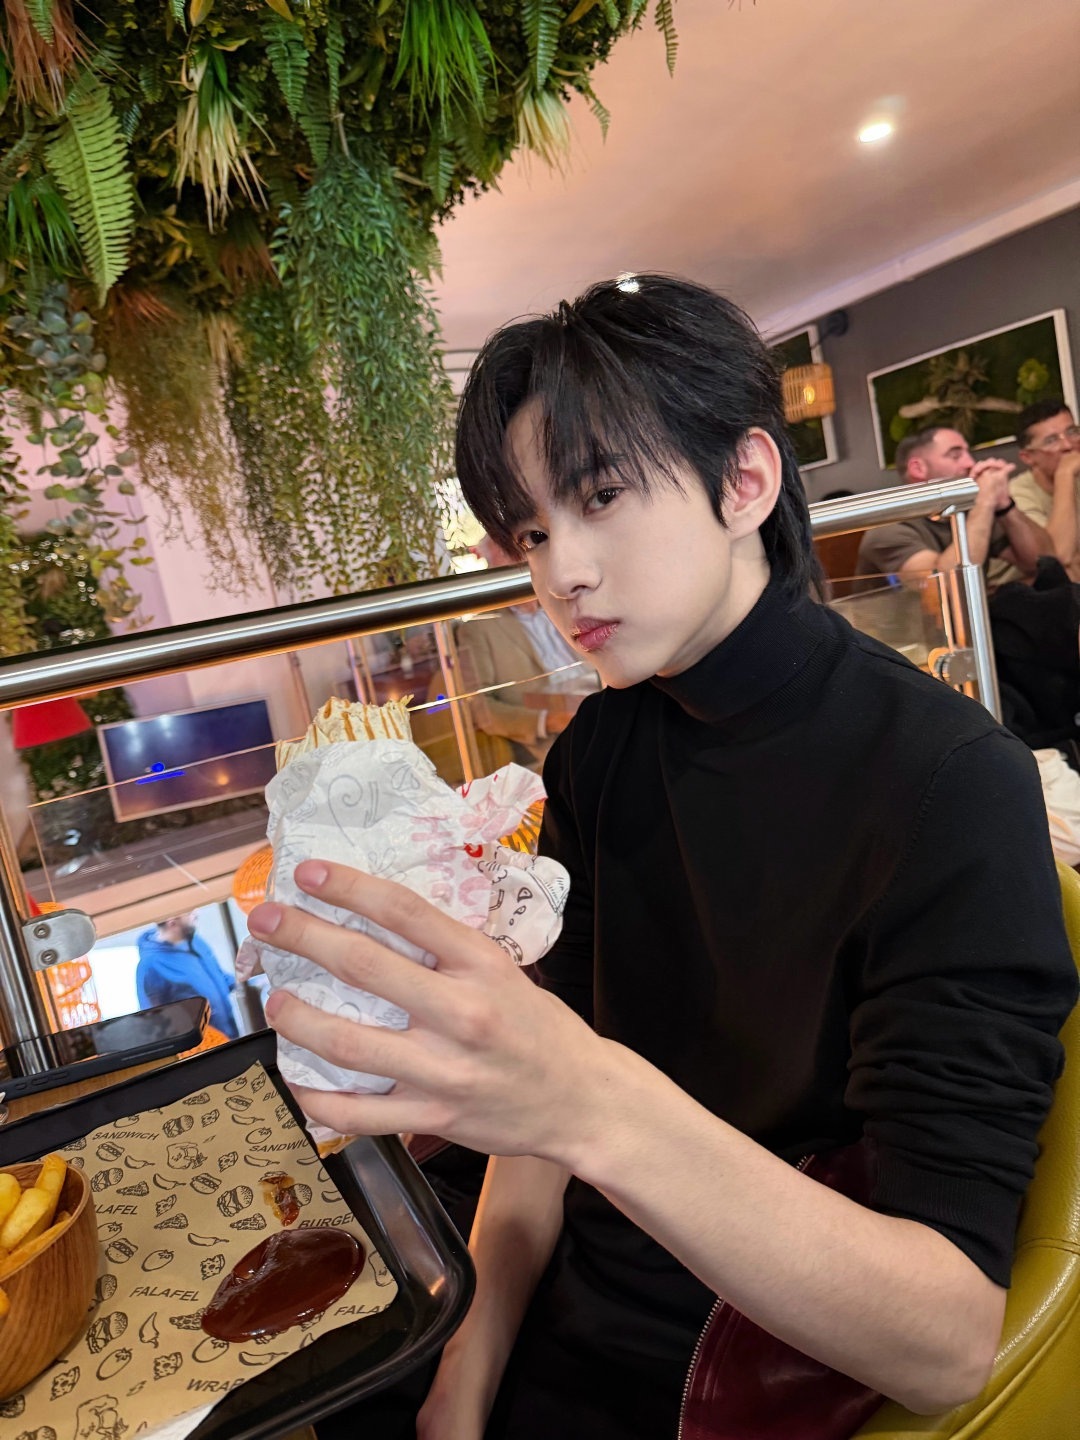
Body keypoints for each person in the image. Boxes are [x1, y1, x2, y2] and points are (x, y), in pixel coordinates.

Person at [251, 276, 1077, 1440]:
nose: (561, 575)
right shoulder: (602, 748)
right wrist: (460, 1386)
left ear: (745, 481)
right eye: (533, 532)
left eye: (601, 498)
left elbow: (944, 1339)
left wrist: (588, 1101)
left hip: (725, 1362)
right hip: (556, 1298)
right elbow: (544, 1123)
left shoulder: (948, 780)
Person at [454, 533, 596, 768]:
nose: (518, 559)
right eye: (505, 553)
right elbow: (480, 707)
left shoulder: (563, 600)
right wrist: (548, 720)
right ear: (490, 567)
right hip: (556, 737)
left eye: (521, 550)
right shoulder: (478, 628)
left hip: (602, 702)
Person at [855, 424, 1052, 590]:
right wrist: (984, 502)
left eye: (968, 453)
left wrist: (1004, 505)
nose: (970, 463)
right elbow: (945, 590)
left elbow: (1042, 563)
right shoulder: (887, 529)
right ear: (918, 468)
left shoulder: (969, 513)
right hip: (902, 626)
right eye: (955, 455)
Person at [136, 912, 239, 1039]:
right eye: (189, 913)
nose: (196, 914)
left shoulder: (197, 942)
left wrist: (247, 982)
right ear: (172, 922)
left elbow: (219, 977)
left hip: (229, 1033)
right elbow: (154, 1020)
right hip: (204, 1044)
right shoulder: (150, 965)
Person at [1008, 399, 1080, 580]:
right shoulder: (1016, 495)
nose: (1068, 445)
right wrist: (1064, 475)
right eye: (1051, 440)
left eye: (1072, 432)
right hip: (1023, 591)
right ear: (1028, 457)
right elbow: (1058, 558)